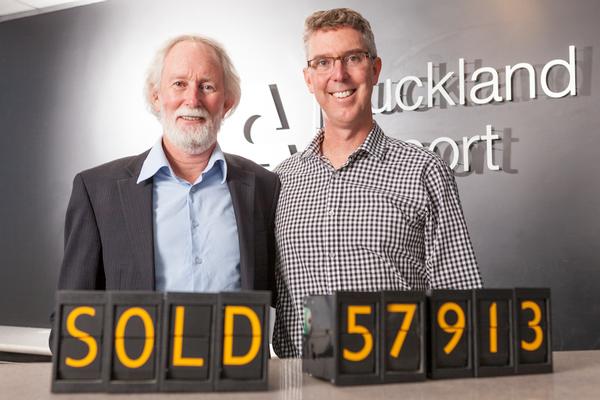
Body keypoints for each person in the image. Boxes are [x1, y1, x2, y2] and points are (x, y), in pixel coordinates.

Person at [273, 8, 482, 358]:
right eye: (323, 62)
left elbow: (460, 299)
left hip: (400, 384)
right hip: (302, 385)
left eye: (352, 58)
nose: (338, 74)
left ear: (375, 68)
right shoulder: (280, 181)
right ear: (309, 79)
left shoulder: (424, 171)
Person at [56, 34, 279, 298]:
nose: (192, 99)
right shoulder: (96, 191)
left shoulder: (264, 186)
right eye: (179, 84)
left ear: (227, 102)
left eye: (207, 86)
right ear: (156, 97)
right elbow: (73, 316)